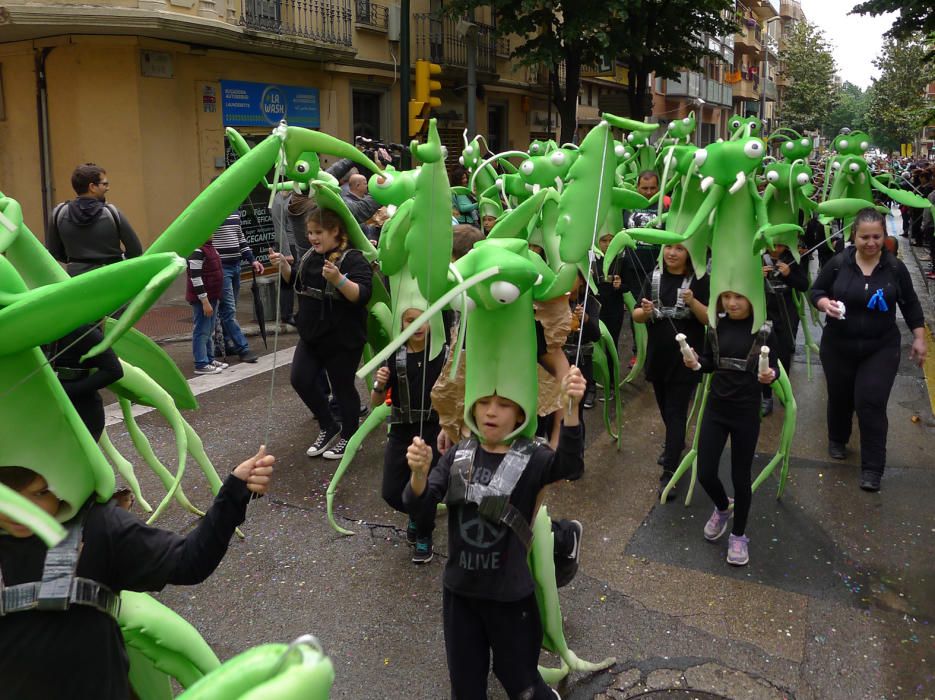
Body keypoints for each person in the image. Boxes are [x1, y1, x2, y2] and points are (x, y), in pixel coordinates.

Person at [0, 446, 274, 700]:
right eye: (8, 496)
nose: (20, 511)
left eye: (39, 493)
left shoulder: (98, 527)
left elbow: (189, 562)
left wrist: (234, 491)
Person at [404, 367, 586, 699]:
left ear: (519, 412)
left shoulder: (533, 458)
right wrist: (418, 476)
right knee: (465, 688)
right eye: (484, 402)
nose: (491, 411)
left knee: (522, 683)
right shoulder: (458, 455)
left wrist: (571, 410)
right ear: (471, 407)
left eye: (503, 404)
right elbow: (420, 510)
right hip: (461, 598)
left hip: (511, 599)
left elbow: (570, 466)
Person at [809, 208, 927, 492]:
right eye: (865, 237)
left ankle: (873, 469)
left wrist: (920, 338)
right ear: (854, 236)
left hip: (880, 347)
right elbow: (816, 292)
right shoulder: (839, 263)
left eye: (877, 236)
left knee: (871, 404)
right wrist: (825, 304)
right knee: (840, 397)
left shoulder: (895, 268)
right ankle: (838, 438)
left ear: (885, 236)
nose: (871, 243)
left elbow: (910, 304)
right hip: (838, 345)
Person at [269, 206, 373, 461]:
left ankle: (350, 436)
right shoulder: (309, 257)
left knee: (342, 388)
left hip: (342, 338)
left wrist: (339, 279)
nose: (312, 238)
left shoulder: (353, 258)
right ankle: (329, 426)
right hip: (312, 335)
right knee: (300, 379)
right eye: (310, 232)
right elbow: (296, 282)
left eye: (318, 232)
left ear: (335, 231)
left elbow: (361, 295)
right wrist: (283, 266)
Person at [683, 291, 778, 566]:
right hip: (716, 409)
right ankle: (723, 508)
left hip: (746, 413)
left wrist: (770, 375)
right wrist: (695, 363)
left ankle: (739, 535)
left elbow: (776, 367)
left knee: (740, 476)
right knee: (705, 472)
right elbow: (708, 363)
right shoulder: (716, 325)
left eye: (739, 297)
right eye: (726, 297)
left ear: (753, 298)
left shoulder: (765, 329)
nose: (732, 303)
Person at [632, 243, 709, 499]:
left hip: (686, 359)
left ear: (690, 253)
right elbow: (636, 315)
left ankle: (670, 472)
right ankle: (676, 444)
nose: (672, 253)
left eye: (679, 249)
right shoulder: (653, 276)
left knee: (676, 413)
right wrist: (644, 311)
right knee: (666, 410)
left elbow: (709, 319)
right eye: (668, 248)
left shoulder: (699, 280)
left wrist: (693, 301)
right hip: (658, 357)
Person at [371, 307, 447, 564]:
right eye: (411, 320)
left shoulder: (442, 353)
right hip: (402, 430)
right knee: (391, 492)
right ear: (402, 324)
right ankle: (416, 514)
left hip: (433, 430)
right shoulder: (394, 355)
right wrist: (379, 384)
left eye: (424, 318)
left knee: (427, 489)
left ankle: (424, 533)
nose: (418, 325)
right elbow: (375, 401)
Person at [46, 163, 142, 277]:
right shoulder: (111, 213)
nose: (108, 188)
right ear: (92, 187)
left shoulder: (59, 213)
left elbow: (53, 252)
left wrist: (77, 263)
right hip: (113, 277)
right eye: (104, 184)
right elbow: (136, 250)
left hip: (78, 281)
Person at [45, 323, 123, 441]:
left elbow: (114, 370)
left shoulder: (81, 330)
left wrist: (67, 390)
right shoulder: (38, 328)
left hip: (82, 413)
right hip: (49, 411)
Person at [622, 170, 666, 365]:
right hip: (633, 268)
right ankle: (638, 351)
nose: (648, 192)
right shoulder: (628, 206)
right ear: (637, 187)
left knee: (660, 310)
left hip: (659, 267)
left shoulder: (666, 206)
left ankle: (657, 352)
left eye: (652, 188)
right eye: (644, 188)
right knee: (638, 311)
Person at [760, 243, 809, 416]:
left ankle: (783, 388)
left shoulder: (793, 259)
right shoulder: (757, 256)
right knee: (764, 353)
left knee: (784, 352)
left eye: (780, 245)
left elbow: (804, 284)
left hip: (786, 313)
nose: (776, 248)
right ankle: (765, 396)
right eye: (773, 244)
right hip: (765, 312)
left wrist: (789, 275)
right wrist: (757, 277)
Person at [211, 209, 264, 363]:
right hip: (221, 268)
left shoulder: (234, 213)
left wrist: (252, 260)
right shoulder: (212, 214)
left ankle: (224, 344)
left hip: (236, 266)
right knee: (229, 310)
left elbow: (241, 239)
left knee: (229, 307)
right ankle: (243, 348)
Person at [186, 240, 227, 375]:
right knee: (201, 331)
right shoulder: (197, 250)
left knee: (209, 330)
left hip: (213, 296)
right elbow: (195, 278)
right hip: (204, 299)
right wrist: (204, 301)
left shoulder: (210, 246)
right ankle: (201, 363)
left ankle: (209, 359)